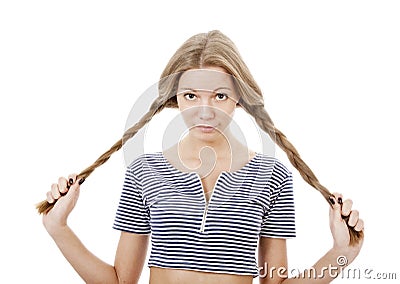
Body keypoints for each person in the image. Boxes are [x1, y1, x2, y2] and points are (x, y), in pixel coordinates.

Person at [42, 30, 364, 284]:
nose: (204, 112)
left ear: (239, 98)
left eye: (220, 96)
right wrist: (58, 227)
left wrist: (341, 253)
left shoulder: (271, 173)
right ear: (175, 98)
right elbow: (121, 280)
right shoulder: (145, 170)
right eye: (191, 95)